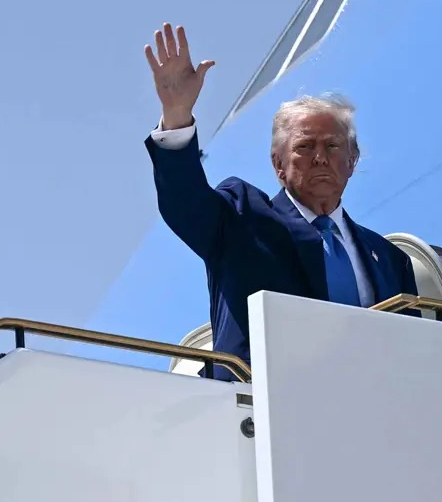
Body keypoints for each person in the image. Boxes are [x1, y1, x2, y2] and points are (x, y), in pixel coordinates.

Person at [144, 22, 418, 380]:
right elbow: (184, 203)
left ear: (352, 161)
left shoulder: (391, 259)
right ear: (278, 164)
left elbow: (411, 353)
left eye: (332, 146)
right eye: (304, 147)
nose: (320, 158)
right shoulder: (242, 217)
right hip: (259, 407)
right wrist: (177, 115)